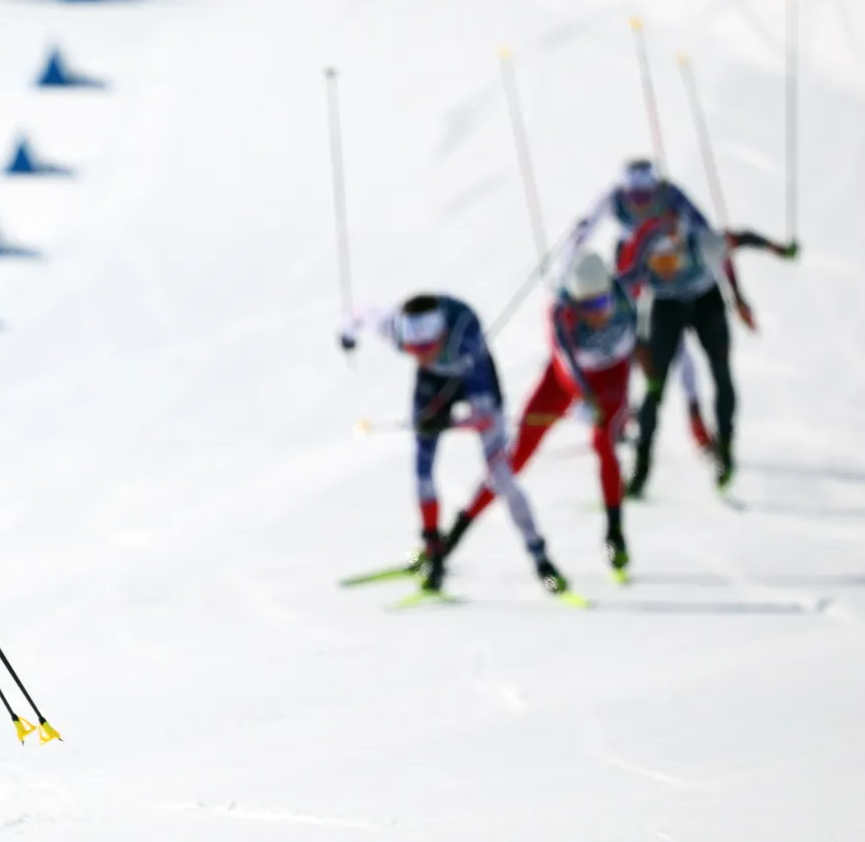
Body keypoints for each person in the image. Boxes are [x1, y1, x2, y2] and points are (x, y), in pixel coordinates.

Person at [569, 159, 797, 491]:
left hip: (706, 302)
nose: (665, 267)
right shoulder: (640, 258)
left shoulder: (697, 241)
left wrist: (752, 282)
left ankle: (726, 452)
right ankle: (641, 470)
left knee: (721, 372)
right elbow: (619, 295)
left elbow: (739, 241)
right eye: (657, 263)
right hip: (666, 308)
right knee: (654, 388)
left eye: (669, 260)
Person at [341, 294, 570, 597]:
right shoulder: (398, 330)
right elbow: (362, 312)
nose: (419, 354)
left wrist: (448, 424)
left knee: (500, 474)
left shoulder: (466, 340)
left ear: (442, 335)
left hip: (475, 379)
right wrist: (347, 334)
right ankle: (434, 552)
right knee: (422, 470)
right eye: (411, 349)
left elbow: (485, 419)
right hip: (434, 383)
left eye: (426, 348)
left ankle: (540, 556)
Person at [435, 252, 637, 577]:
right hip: (566, 381)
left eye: (601, 305)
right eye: (587, 308)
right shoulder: (562, 312)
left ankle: (615, 534)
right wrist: (582, 398)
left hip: (612, 378)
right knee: (515, 457)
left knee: (604, 444)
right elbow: (566, 363)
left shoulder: (626, 292)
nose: (596, 314)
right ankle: (452, 538)